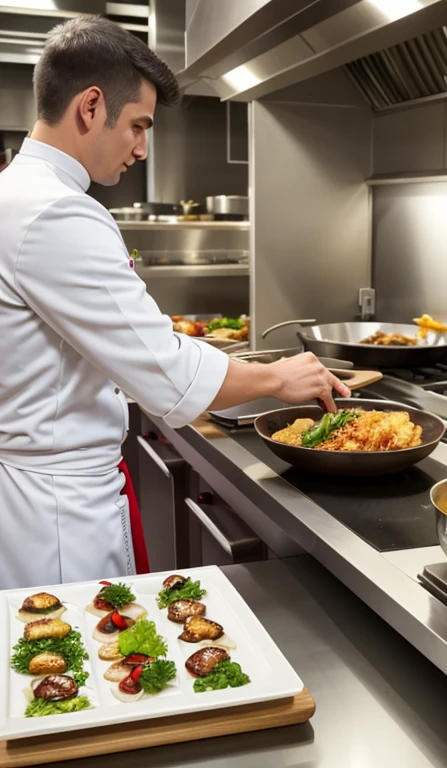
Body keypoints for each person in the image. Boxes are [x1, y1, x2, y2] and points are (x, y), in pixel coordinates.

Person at [0, 15, 350, 590]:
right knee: (84, 668)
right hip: (59, 517)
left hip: (39, 495)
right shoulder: (58, 212)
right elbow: (166, 372)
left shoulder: (20, 190)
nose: (141, 148)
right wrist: (277, 376)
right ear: (90, 107)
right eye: (138, 126)